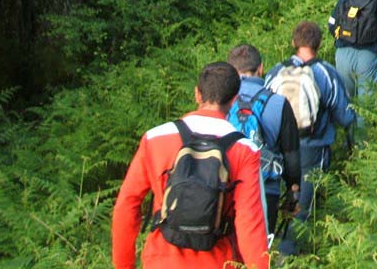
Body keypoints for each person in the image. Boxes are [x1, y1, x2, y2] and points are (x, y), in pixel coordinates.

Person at [112, 62, 270, 269]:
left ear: (197, 94)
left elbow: (127, 205)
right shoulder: (244, 149)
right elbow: (250, 222)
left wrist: (124, 265)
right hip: (219, 263)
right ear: (233, 100)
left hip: (160, 262)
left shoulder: (155, 138)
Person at [264, 22, 355, 255]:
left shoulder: (276, 71)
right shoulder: (326, 72)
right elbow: (345, 115)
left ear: (294, 43)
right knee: (302, 208)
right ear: (319, 44)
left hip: (276, 151)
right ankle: (290, 254)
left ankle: (266, 251)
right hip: (312, 148)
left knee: (274, 202)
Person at [227, 44, 301, 239]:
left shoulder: (221, 100)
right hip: (265, 191)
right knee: (259, 252)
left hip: (226, 189)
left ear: (231, 70)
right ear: (261, 67)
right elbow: (291, 155)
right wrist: (294, 190)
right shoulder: (278, 103)